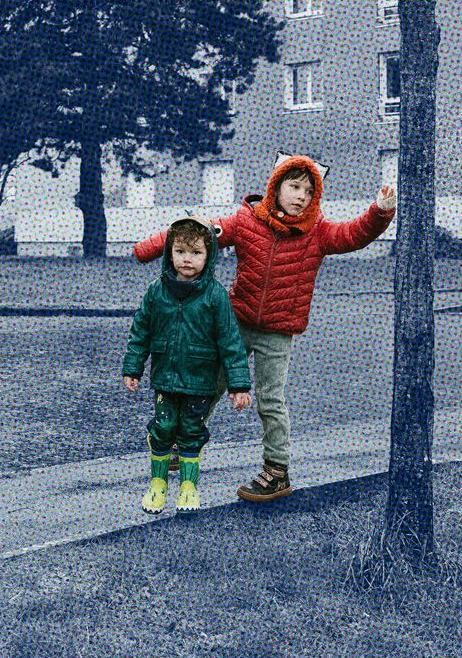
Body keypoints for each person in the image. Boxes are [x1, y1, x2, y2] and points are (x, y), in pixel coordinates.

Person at [134, 155, 396, 502]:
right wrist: (149, 248)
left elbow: (354, 235)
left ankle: (276, 471)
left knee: (270, 400)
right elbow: (200, 231)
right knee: (209, 384)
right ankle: (183, 445)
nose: (301, 195)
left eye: (308, 190)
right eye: (294, 186)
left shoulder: (318, 232)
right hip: (236, 323)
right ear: (276, 187)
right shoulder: (246, 221)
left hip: (278, 332)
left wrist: (380, 211)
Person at [123, 217, 252, 514]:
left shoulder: (216, 295)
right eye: (180, 251)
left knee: (192, 431)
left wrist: (239, 385)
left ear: (209, 256)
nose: (187, 259)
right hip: (165, 378)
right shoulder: (157, 291)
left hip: (200, 379)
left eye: (196, 253)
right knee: (164, 427)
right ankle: (157, 484)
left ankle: (188, 486)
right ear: (170, 252)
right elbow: (140, 330)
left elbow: (230, 341)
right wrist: (133, 367)